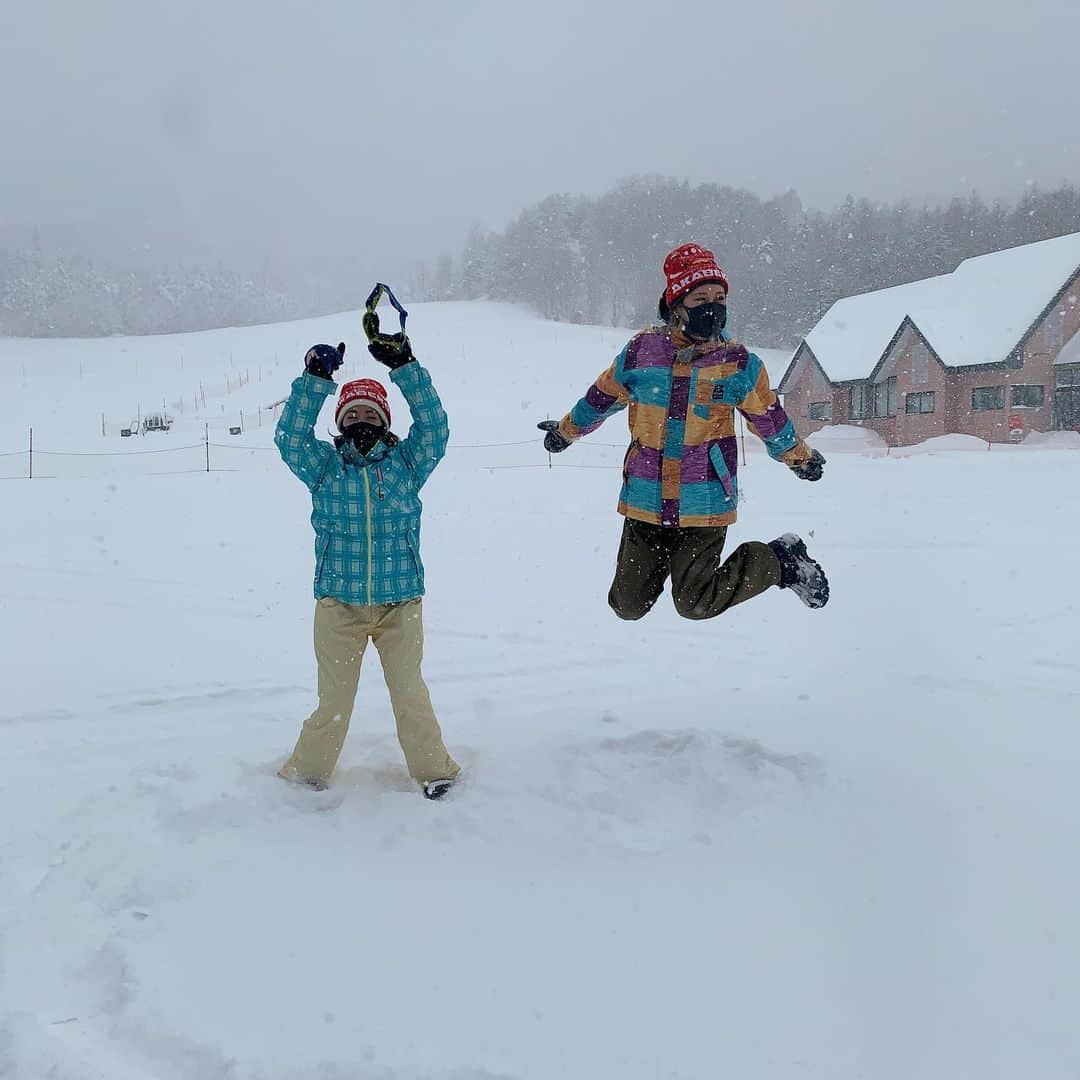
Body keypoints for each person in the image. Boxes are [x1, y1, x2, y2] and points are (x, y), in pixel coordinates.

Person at [538, 242, 830, 621]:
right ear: (677, 307)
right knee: (627, 604)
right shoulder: (642, 351)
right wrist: (566, 431)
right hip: (645, 498)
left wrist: (800, 457)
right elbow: (602, 397)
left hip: (704, 500)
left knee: (695, 602)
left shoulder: (738, 364)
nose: (712, 306)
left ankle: (780, 560)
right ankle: (665, 566)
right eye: (700, 298)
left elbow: (769, 420)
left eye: (719, 297)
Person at [274, 329, 460, 799]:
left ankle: (433, 770)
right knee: (334, 701)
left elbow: (435, 428)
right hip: (340, 606)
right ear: (340, 421)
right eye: (351, 413)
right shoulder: (323, 467)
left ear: (384, 421)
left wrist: (405, 366)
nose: (360, 419)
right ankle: (306, 776)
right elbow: (290, 437)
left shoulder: (406, 464)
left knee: (409, 693)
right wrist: (315, 381)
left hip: (401, 606)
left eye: (370, 413)